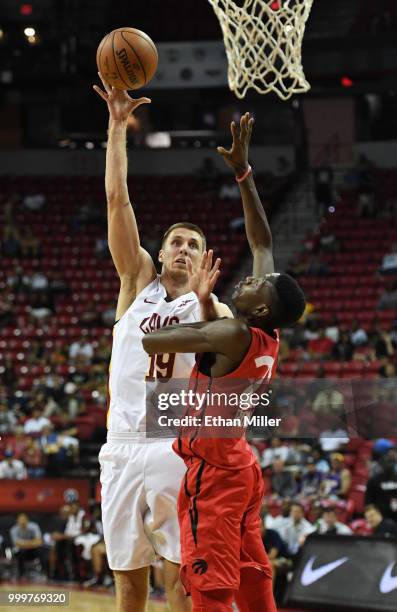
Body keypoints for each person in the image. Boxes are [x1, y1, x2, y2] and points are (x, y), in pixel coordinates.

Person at [143, 113, 306, 612]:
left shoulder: (233, 330)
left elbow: (156, 343)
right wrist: (243, 174)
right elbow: (262, 243)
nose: (250, 278)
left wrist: (199, 302)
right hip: (242, 468)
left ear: (258, 307)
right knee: (256, 579)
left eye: (255, 284)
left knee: (210, 588)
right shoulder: (264, 333)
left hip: (214, 472)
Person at [93, 73, 231, 612]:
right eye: (176, 240)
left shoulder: (212, 306)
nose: (182, 248)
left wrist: (201, 302)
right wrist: (116, 126)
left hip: (175, 445)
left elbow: (224, 343)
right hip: (122, 444)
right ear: (163, 248)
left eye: (193, 245)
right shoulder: (136, 285)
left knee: (180, 579)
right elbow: (116, 201)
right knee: (128, 583)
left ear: (202, 260)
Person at [10, 513, 47, 577]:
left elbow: (39, 541)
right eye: (20, 519)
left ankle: (44, 572)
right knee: (20, 552)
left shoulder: (34, 526)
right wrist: (32, 543)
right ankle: (21, 574)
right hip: (21, 552)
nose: (22, 521)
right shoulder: (14, 530)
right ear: (17, 521)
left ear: (27, 520)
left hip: (33, 550)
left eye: (24, 519)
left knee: (42, 550)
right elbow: (17, 543)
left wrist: (24, 544)